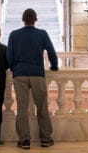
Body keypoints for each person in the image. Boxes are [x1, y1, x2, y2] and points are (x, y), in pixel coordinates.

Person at [6, 8, 59, 149]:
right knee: (42, 107)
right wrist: (54, 66)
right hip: (37, 74)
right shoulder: (42, 34)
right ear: (35, 19)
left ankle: (24, 140)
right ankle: (46, 138)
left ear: (23, 19)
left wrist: (13, 68)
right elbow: (51, 52)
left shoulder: (14, 35)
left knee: (22, 108)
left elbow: (9, 56)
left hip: (20, 74)